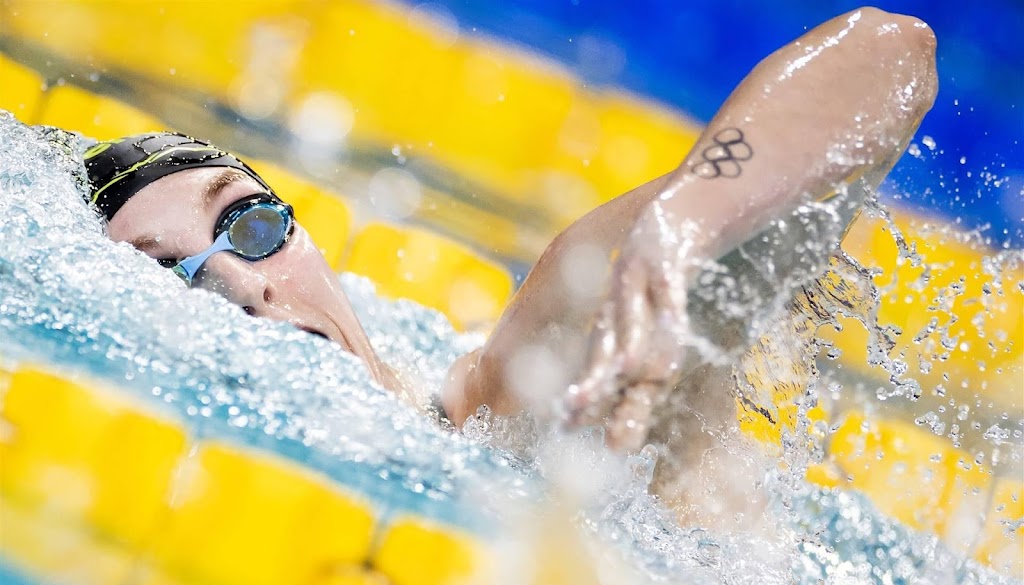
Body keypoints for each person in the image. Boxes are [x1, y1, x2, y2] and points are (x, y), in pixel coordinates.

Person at [84, 8, 937, 468]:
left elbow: (892, 56)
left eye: (249, 224)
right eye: (172, 279)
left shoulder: (530, 392)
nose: (244, 285)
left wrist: (686, 220)